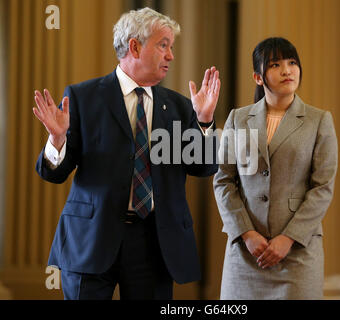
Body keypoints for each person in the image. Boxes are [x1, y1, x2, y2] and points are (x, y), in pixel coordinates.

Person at [33, 8, 220, 300]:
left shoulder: (182, 107)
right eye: (163, 45)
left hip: (155, 243)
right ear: (134, 46)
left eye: (171, 47)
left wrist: (205, 122)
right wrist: (57, 139)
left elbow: (203, 167)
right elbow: (53, 173)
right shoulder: (83, 97)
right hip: (91, 241)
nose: (171, 55)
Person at [213, 37, 337, 299]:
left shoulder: (319, 120)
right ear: (258, 77)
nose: (287, 70)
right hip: (247, 254)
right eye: (275, 64)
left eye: (292, 63)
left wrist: (288, 238)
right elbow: (223, 180)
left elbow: (322, 187)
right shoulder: (238, 118)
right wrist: (246, 233)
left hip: (297, 254)